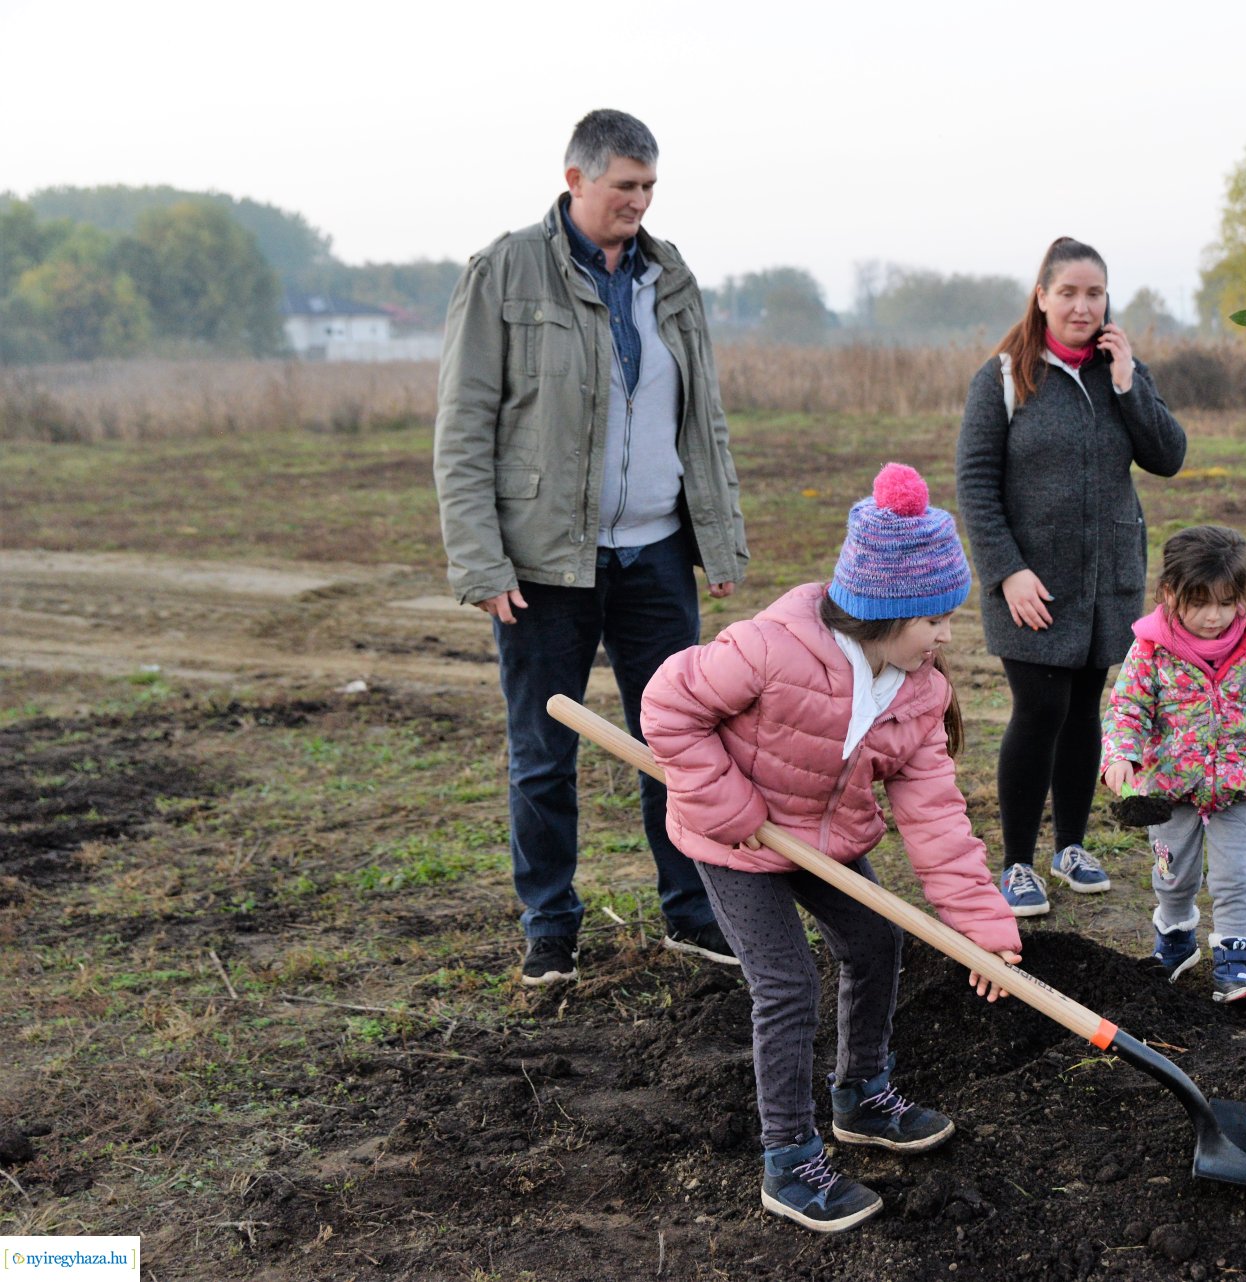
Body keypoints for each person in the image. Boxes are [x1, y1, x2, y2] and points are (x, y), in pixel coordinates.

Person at [641, 463, 1021, 1234]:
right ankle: (788, 1160)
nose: (949, 635)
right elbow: (667, 706)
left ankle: (863, 1096)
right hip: (733, 838)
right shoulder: (768, 649)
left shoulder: (918, 692)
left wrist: (983, 931)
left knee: (876, 943)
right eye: (937, 619)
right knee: (785, 985)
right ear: (887, 612)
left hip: (826, 837)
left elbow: (938, 819)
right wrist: (729, 803)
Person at [433, 109, 749, 986]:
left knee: (680, 744)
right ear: (575, 181)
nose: (638, 204)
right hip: (545, 566)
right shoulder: (503, 272)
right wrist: (481, 563)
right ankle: (550, 925)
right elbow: (462, 430)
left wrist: (717, 539)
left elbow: (704, 419)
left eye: (649, 188)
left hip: (654, 555)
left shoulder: (670, 275)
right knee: (543, 753)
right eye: (623, 188)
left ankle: (692, 912)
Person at [955, 236, 1187, 918]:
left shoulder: (1123, 373)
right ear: (1042, 297)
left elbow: (1168, 456)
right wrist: (1006, 573)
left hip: (1106, 578)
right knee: (1040, 710)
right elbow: (975, 483)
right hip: (1031, 583)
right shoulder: (1003, 376)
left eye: (1094, 293)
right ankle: (1019, 863)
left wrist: (1127, 386)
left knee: (1087, 708)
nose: (1082, 305)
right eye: (1069, 293)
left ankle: (1073, 847)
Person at [1099, 525, 1246, 1006]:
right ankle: (1176, 938)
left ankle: (1235, 961)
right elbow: (1127, 708)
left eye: (1226, 602)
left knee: (1235, 875)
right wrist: (1121, 754)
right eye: (1199, 602)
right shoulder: (1150, 650)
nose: (1214, 616)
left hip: (1238, 784)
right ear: (1169, 594)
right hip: (1169, 786)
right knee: (1172, 873)